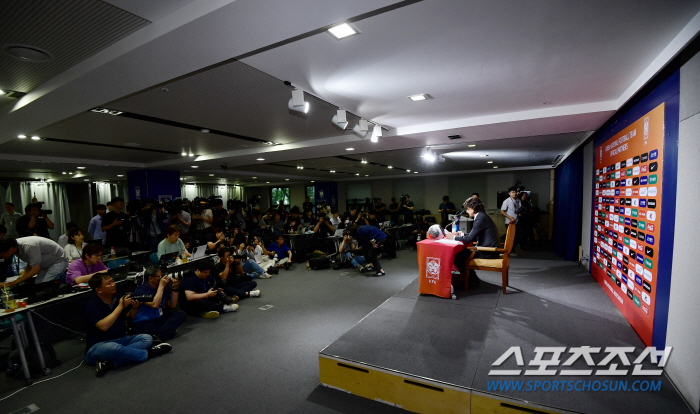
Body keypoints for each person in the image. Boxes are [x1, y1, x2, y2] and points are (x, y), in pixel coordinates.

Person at [83, 272, 172, 377]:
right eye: (108, 283)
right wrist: (120, 306)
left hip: (121, 339)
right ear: (98, 290)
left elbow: (129, 318)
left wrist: (134, 308)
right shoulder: (91, 305)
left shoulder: (117, 297)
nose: (113, 284)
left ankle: (109, 363)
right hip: (98, 345)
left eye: (112, 281)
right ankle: (149, 353)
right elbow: (103, 326)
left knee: (146, 338)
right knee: (113, 348)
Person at [446, 197, 499, 288]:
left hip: (488, 251)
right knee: (462, 254)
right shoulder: (482, 216)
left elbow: (470, 239)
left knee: (457, 256)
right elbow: (474, 235)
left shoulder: (480, 218)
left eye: (467, 209)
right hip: (490, 249)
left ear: (473, 208)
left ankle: (471, 280)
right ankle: (473, 279)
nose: (467, 211)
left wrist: (453, 237)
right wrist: (461, 233)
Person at [131, 266, 187, 341]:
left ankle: (158, 336)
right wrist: (161, 286)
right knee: (150, 328)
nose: (162, 278)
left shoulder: (163, 287)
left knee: (181, 314)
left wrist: (174, 288)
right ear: (150, 278)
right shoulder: (140, 291)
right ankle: (161, 334)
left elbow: (172, 305)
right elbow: (155, 305)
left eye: (162, 275)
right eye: (159, 276)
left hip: (158, 318)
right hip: (143, 321)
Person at [0, 237, 69, 289]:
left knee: (44, 286)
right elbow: (31, 262)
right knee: (37, 286)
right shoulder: (15, 248)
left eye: (2, 253)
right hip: (45, 263)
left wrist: (13, 283)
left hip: (58, 260)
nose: (1, 255)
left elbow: (36, 270)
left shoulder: (29, 246)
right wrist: (21, 277)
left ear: (11, 248)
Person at [500, 186, 521, 256]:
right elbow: (502, 211)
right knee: (511, 238)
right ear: (509, 193)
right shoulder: (506, 201)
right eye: (513, 192)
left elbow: (519, 210)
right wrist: (510, 217)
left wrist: (520, 214)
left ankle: (511, 249)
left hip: (517, 221)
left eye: (515, 192)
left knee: (518, 237)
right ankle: (510, 251)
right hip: (509, 222)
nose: (514, 194)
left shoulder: (518, 200)